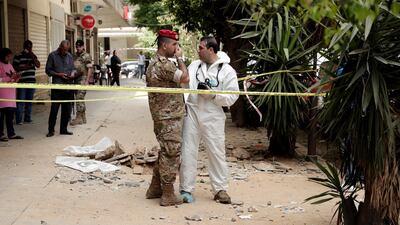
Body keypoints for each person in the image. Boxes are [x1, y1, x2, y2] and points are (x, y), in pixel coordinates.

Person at [179, 36, 239, 204]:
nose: (198, 51)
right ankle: (186, 189)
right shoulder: (194, 66)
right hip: (192, 111)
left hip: (213, 115)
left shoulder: (227, 71)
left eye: (200, 48)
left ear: (211, 50)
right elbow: (185, 83)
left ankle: (220, 189)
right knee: (188, 151)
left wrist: (213, 95)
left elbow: (233, 96)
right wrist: (179, 59)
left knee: (216, 152)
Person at [145, 29, 189, 206]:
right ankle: (168, 193)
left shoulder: (154, 62)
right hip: (168, 117)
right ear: (164, 45)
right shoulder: (164, 65)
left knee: (165, 151)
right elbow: (185, 78)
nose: (176, 47)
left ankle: (155, 189)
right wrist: (180, 59)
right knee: (171, 153)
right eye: (174, 44)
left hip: (163, 116)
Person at [45, 40, 75, 137]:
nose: (65, 52)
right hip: (57, 87)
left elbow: (73, 68)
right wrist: (59, 74)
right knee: (54, 110)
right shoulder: (52, 55)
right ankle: (51, 130)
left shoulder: (70, 56)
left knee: (66, 110)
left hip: (68, 87)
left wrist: (72, 74)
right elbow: (48, 70)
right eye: (64, 50)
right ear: (60, 47)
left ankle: (63, 129)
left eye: (67, 50)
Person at [12, 40, 40, 125]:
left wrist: (32, 55)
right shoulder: (18, 56)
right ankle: (19, 119)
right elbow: (14, 67)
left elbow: (38, 65)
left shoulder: (32, 56)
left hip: (31, 81)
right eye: (27, 47)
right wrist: (25, 67)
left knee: (29, 101)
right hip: (22, 82)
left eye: (30, 47)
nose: (29, 48)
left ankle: (27, 118)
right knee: (20, 101)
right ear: (24, 47)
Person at [0, 48, 23, 141]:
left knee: (10, 115)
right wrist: (8, 78)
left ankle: (11, 134)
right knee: (1, 116)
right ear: (3, 56)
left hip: (11, 94)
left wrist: (17, 77)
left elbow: (12, 77)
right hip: (2, 94)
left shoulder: (9, 65)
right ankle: (0, 134)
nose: (10, 58)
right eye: (8, 56)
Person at [70, 40, 93, 126]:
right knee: (80, 99)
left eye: (79, 46)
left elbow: (90, 69)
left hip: (83, 80)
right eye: (76, 46)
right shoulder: (75, 56)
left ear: (83, 46)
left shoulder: (86, 56)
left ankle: (79, 117)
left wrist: (87, 81)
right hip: (76, 79)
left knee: (79, 98)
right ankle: (83, 117)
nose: (78, 48)